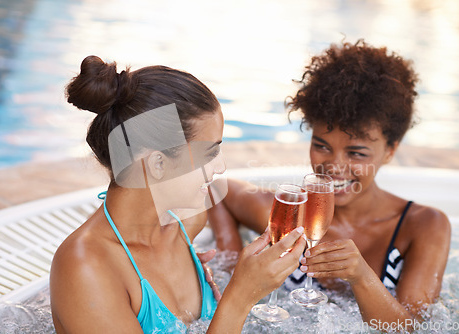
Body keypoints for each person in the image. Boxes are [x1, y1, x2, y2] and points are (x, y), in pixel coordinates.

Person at [49, 55, 307, 333]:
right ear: (158, 164)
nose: (220, 167)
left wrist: (226, 252)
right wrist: (241, 296)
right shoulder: (85, 268)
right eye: (209, 153)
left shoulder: (187, 221)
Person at [208, 40, 451, 331]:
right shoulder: (287, 219)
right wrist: (231, 264)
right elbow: (217, 190)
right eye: (321, 146)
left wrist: (361, 277)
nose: (334, 167)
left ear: (390, 150)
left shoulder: (424, 226)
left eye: (356, 153)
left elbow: (416, 329)